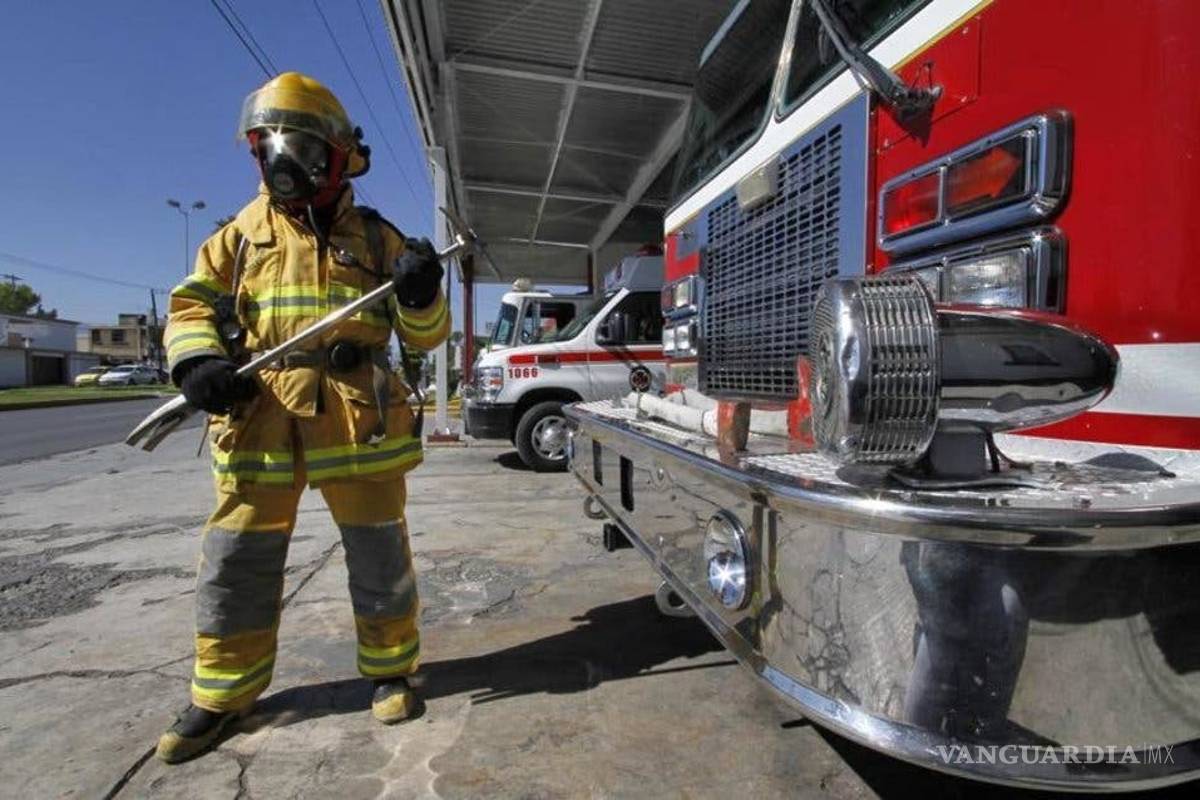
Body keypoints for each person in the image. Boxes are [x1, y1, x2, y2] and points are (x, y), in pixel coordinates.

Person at [155, 72, 449, 763]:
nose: (282, 163)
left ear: (338, 155)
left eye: (300, 148)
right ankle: (222, 695)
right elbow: (190, 308)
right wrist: (196, 362)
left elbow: (428, 336)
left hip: (357, 426)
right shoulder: (234, 239)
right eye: (268, 148)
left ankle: (391, 670)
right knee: (237, 561)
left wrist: (420, 291)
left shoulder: (381, 241)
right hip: (257, 423)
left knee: (380, 558)